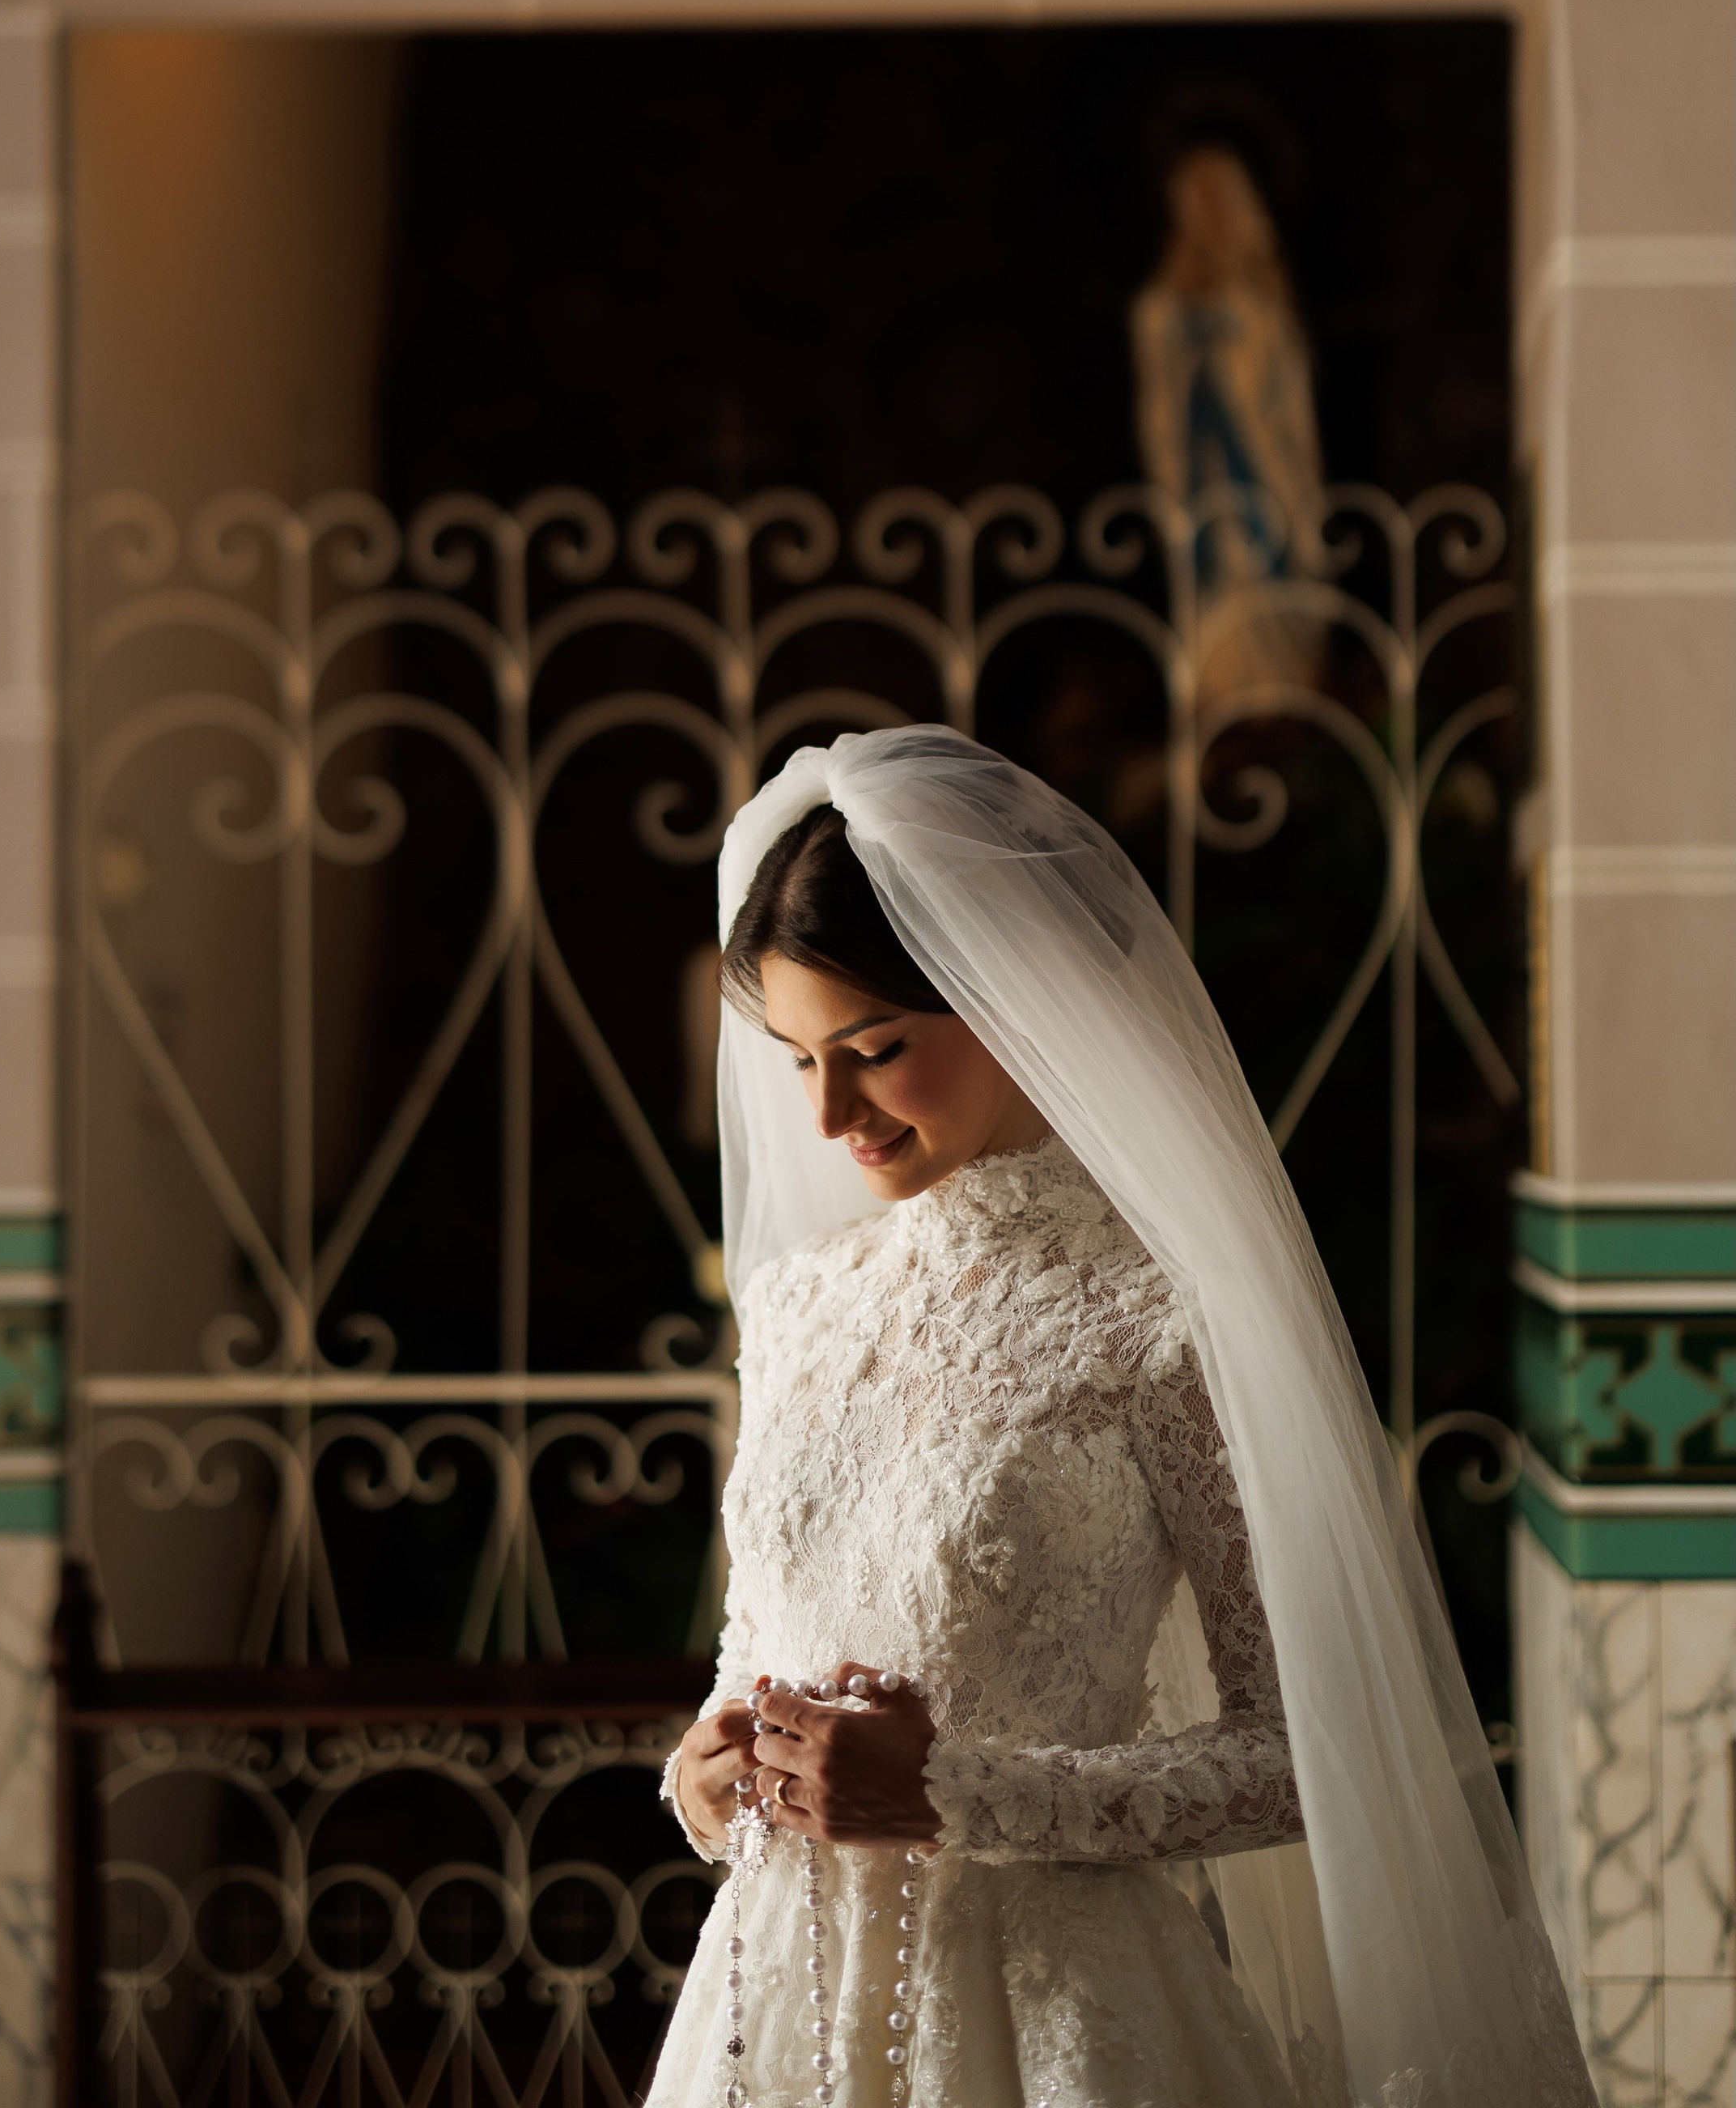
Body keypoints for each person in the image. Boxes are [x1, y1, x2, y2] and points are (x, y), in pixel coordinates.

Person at [649, 727, 1591, 2108]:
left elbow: (1299, 1758)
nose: (833, 1111)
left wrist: (956, 1793)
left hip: (1060, 2030)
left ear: (1009, 998)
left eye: (875, 1047)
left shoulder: (1159, 1322)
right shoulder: (800, 1304)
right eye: (797, 1061)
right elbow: (758, 1640)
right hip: (777, 2008)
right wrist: (712, 1765)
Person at [1131, 139, 1326, 703]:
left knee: (1268, 596)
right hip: (1204, 482)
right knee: (1215, 605)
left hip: (1262, 472)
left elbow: (1280, 386)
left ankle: (1283, 710)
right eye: (1199, 200)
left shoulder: (1261, 292)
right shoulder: (1166, 298)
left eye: (1221, 197)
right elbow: (1156, 375)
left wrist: (1229, 349)